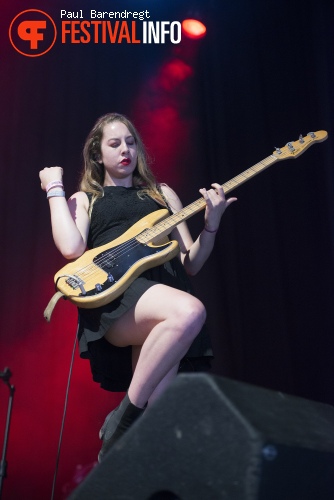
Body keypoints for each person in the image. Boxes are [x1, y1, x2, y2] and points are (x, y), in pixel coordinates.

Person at [39, 112, 236, 462]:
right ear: (97, 155)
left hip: (164, 300)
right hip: (120, 302)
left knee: (155, 436)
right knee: (191, 311)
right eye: (114, 144)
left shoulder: (162, 194)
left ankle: (127, 451)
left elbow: (190, 263)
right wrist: (54, 189)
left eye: (130, 142)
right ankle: (123, 418)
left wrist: (212, 224)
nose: (125, 149)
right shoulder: (87, 199)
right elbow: (70, 248)